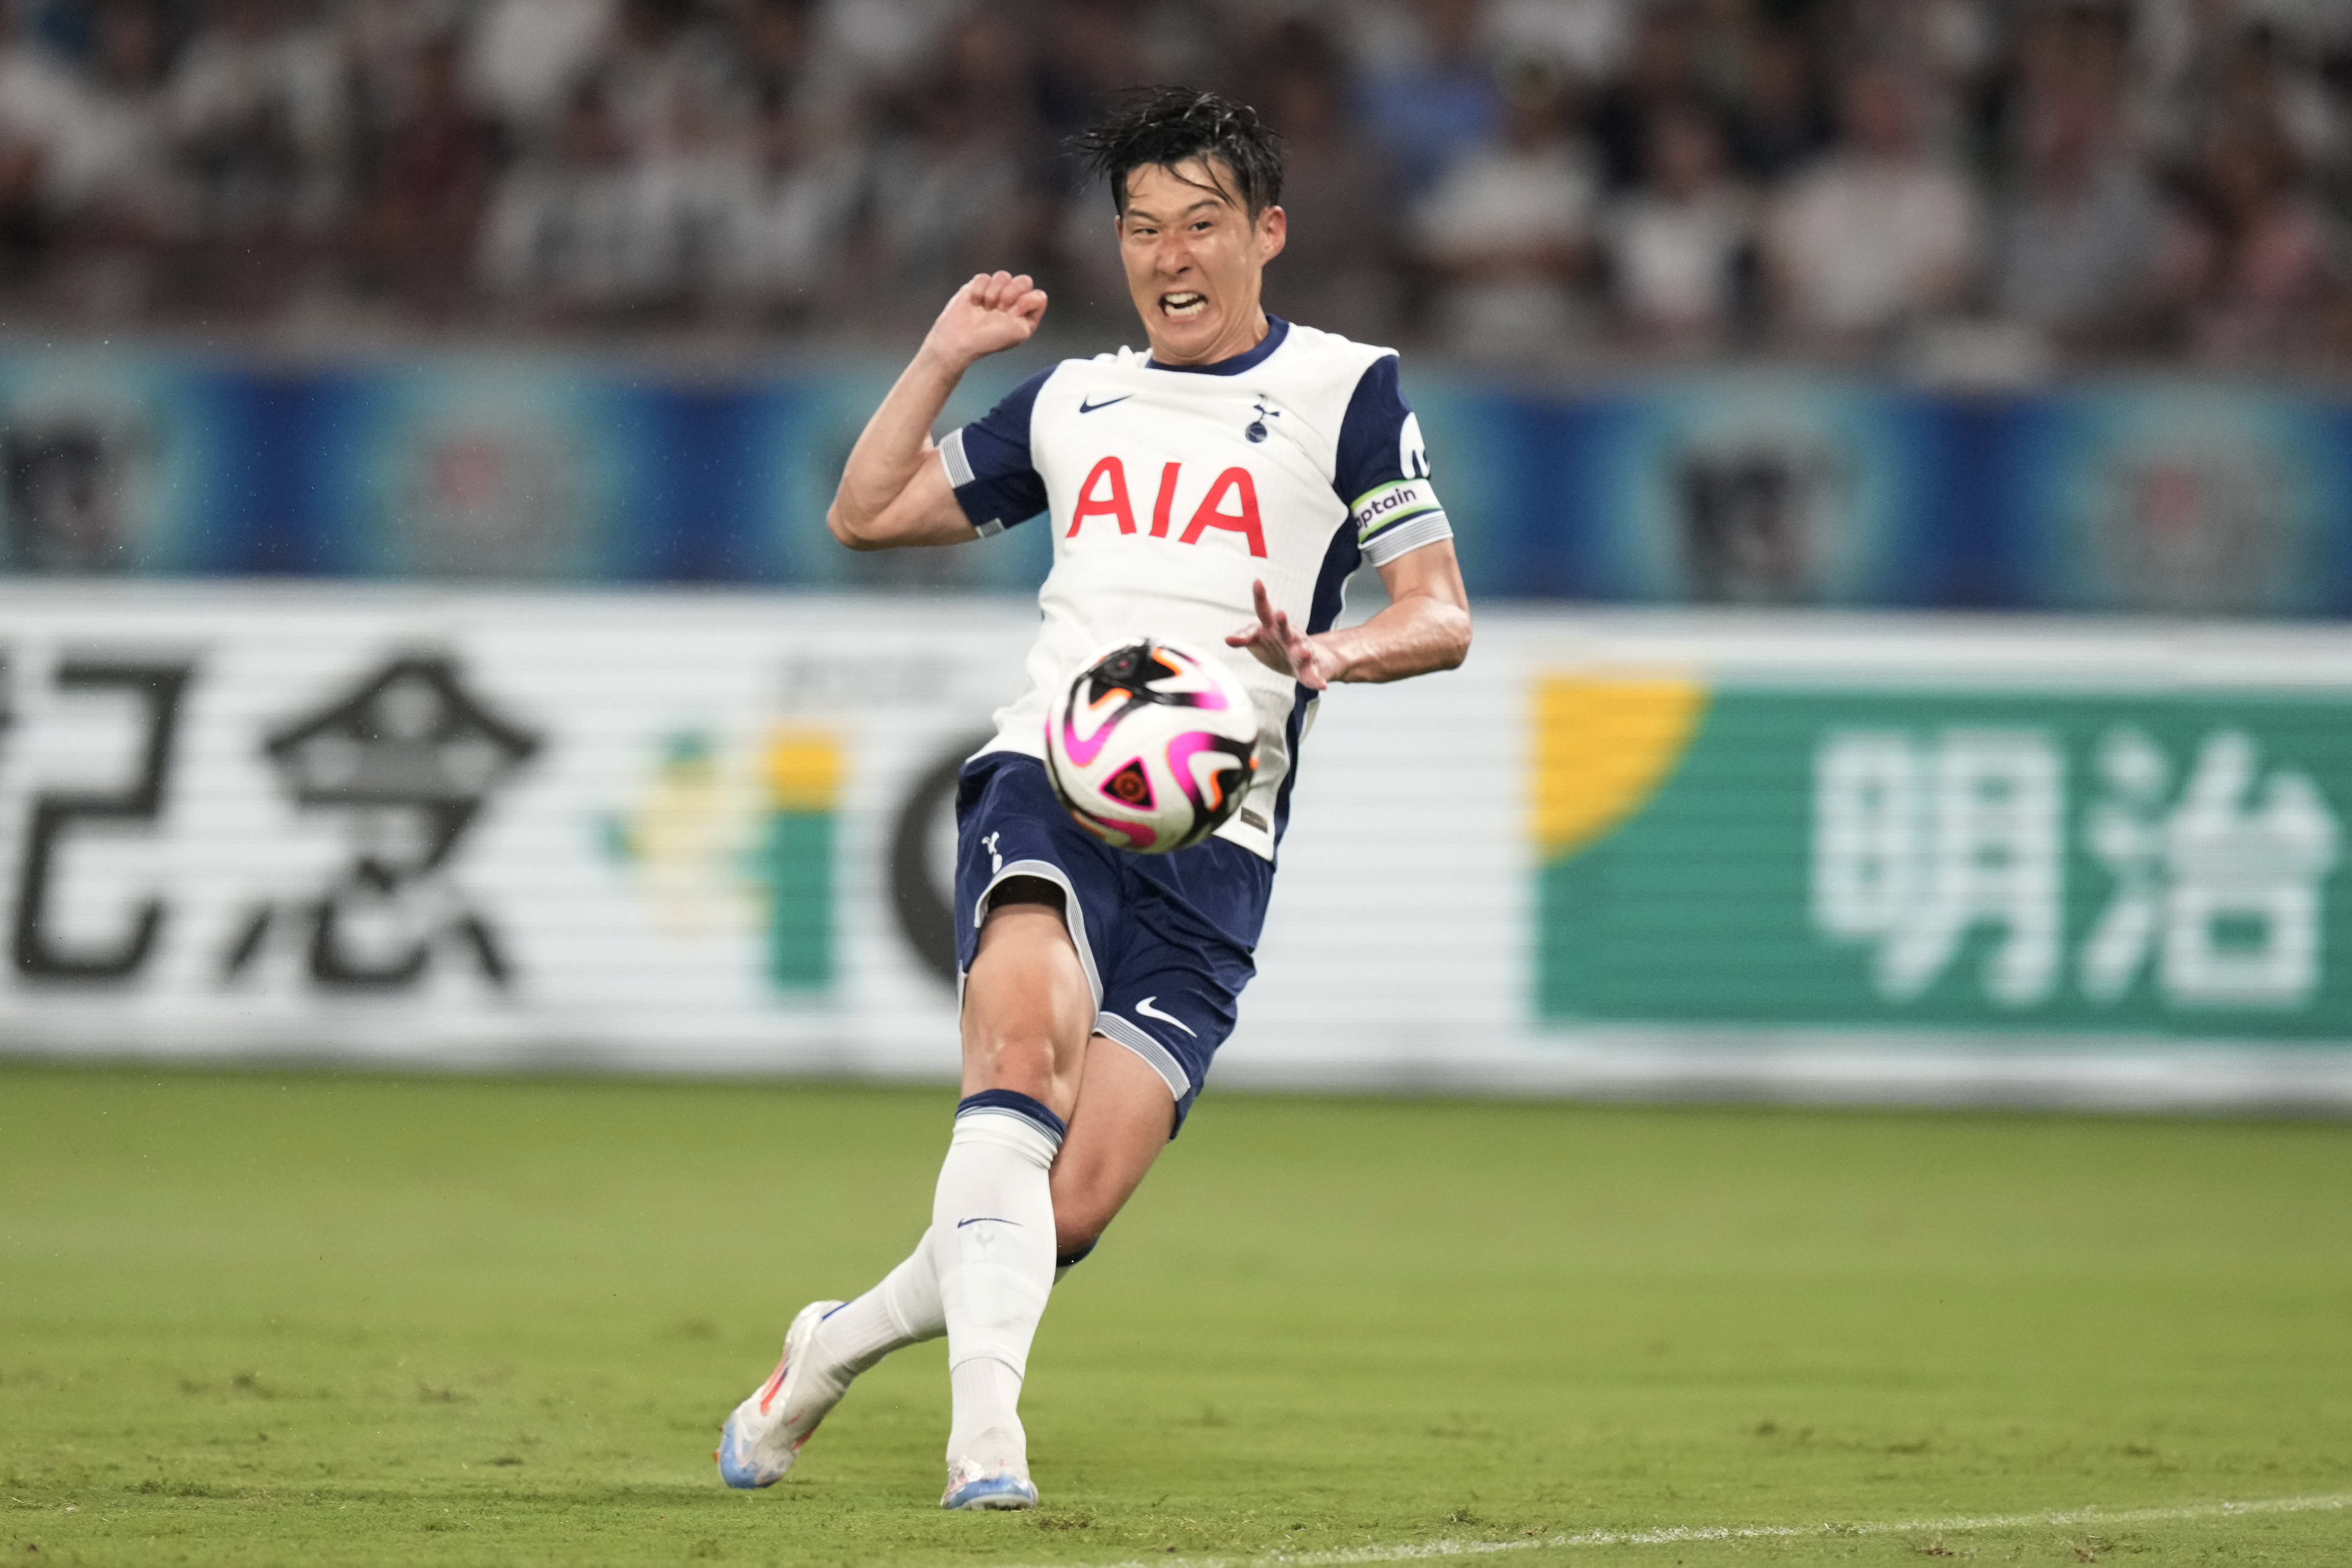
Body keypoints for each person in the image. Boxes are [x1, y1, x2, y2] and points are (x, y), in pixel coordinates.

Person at [713, 85, 1471, 1511]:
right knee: (1016, 1049)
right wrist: (941, 354)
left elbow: (1438, 615)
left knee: (1058, 1211)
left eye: (1200, 224)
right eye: (1139, 228)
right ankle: (985, 1439)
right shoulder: (1075, 398)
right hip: (1052, 775)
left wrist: (1327, 653)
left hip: (1216, 835)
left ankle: (828, 1345)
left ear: (1267, 233)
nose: (1168, 257)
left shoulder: (1348, 390)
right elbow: (866, 514)